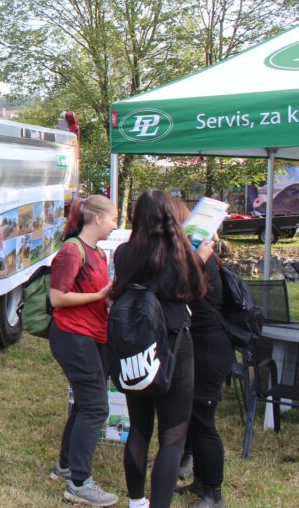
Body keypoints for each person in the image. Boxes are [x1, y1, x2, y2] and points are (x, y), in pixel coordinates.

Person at [112, 190, 212, 508]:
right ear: (171, 217)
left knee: (139, 430)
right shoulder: (182, 254)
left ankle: (136, 501)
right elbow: (194, 293)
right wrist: (200, 259)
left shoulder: (124, 253)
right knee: (172, 436)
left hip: (137, 345)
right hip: (176, 344)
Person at [47, 195, 119, 507]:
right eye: (115, 218)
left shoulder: (99, 253)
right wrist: (99, 295)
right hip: (74, 338)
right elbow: (57, 298)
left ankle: (65, 466)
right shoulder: (71, 251)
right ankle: (79, 483)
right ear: (99, 219)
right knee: (95, 408)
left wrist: (109, 298)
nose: (117, 224)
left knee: (84, 403)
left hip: (92, 337)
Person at [172, 200, 231, 508]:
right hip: (201, 345)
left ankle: (214, 494)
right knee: (195, 419)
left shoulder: (198, 262)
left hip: (209, 349)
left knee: (204, 421)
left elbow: (179, 293)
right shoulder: (196, 258)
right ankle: (199, 483)